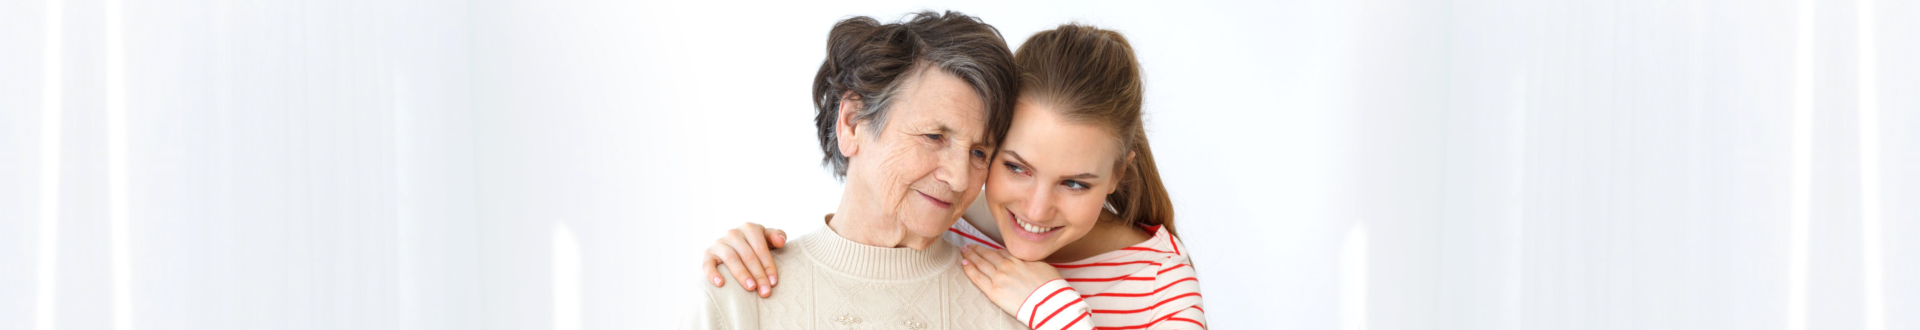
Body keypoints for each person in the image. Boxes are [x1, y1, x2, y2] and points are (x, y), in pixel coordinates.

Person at [704, 24, 1207, 330]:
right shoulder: (951, 217)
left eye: (1075, 183)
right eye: (1014, 167)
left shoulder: (1162, 286)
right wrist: (751, 252)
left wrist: (1060, 314)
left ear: (1119, 173)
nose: (1034, 210)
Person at [689, 11, 1026, 330]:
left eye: (980, 153)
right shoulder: (738, 295)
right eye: (934, 136)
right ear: (851, 124)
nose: (960, 178)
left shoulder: (1012, 303)